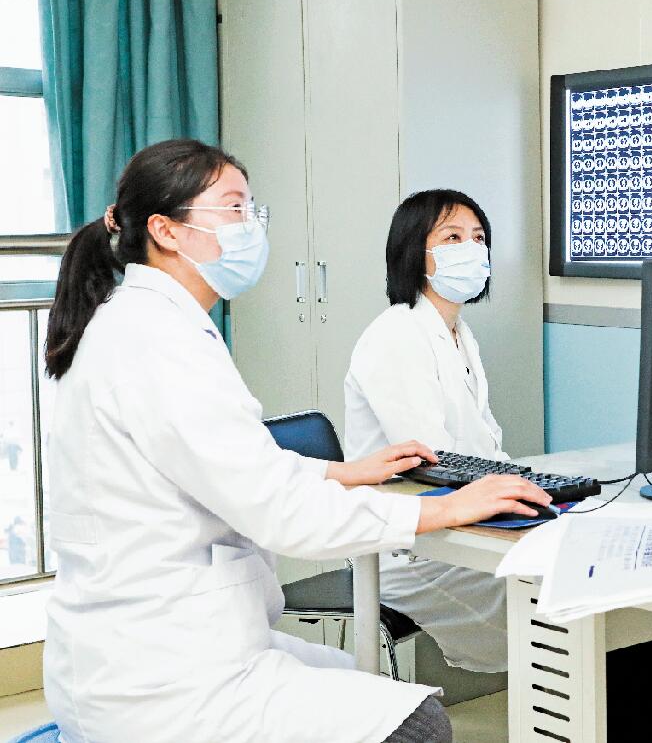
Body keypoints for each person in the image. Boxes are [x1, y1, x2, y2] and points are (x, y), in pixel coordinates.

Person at [41, 140, 550, 743]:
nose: (251, 226)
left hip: (159, 642)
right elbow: (278, 509)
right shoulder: (158, 341)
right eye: (234, 208)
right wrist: (440, 509)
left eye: (252, 209)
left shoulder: (148, 323)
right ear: (166, 230)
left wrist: (338, 472)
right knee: (419, 725)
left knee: (358, 679)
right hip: (161, 674)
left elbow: (235, 465)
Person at [344, 189, 652, 741]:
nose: (471, 249)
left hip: (462, 521)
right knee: (578, 592)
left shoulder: (457, 333)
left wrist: (536, 489)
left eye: (478, 238)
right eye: (452, 238)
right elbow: (434, 461)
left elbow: (484, 449)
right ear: (413, 252)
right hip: (416, 547)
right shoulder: (395, 336)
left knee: (607, 579)